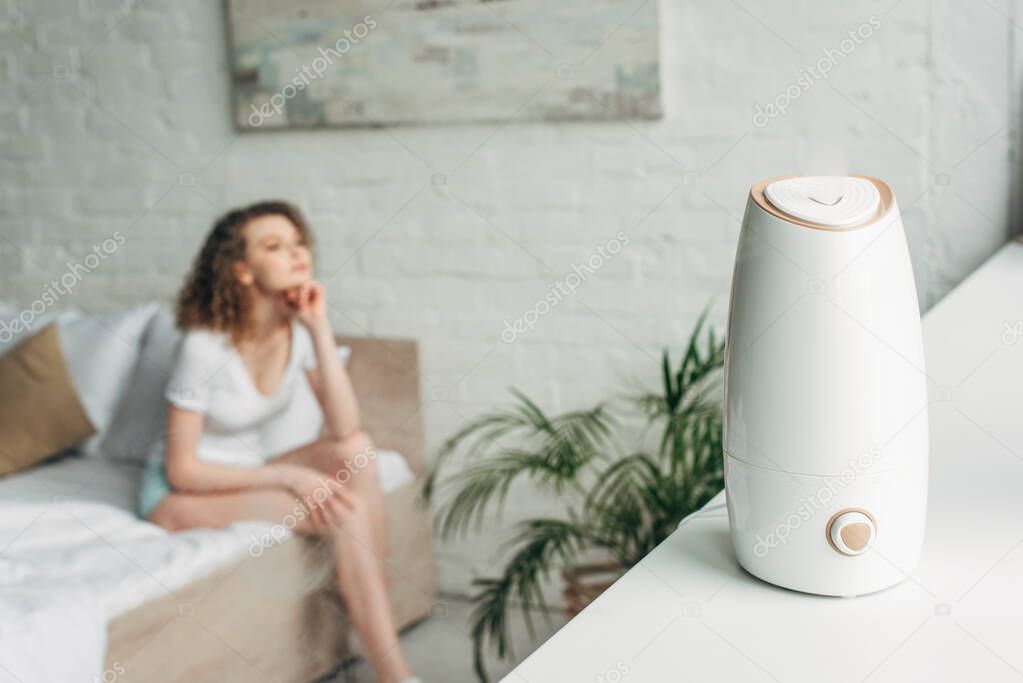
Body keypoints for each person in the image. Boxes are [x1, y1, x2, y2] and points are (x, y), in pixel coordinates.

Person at [139, 200, 420, 683]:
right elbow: (182, 468)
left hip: (251, 467)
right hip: (178, 492)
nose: (296, 254)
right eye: (274, 246)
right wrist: (289, 475)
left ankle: (372, 622)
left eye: (298, 243)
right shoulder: (203, 346)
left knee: (358, 453)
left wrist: (319, 327)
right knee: (344, 509)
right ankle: (395, 672)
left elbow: (347, 429)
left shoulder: (299, 330)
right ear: (241, 271)